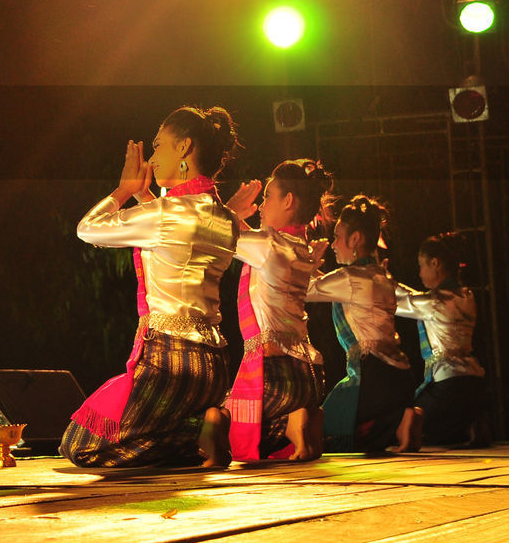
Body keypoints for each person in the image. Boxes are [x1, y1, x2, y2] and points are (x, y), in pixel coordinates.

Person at [63, 106, 241, 468]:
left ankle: (195, 435)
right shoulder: (224, 217)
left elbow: (88, 229)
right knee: (142, 435)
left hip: (169, 361)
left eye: (159, 146)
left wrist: (124, 190)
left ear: (185, 148)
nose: (152, 158)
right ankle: (206, 426)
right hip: (215, 365)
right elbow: (174, 235)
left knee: (80, 446)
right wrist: (147, 199)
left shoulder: (164, 215)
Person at [224, 160, 333, 461]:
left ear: (288, 200)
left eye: (268, 196)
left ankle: (292, 421)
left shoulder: (268, 244)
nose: (260, 205)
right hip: (309, 375)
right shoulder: (301, 247)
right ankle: (299, 418)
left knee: (217, 427)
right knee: (255, 437)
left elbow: (213, 234)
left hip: (274, 376)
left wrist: (229, 211)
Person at [306, 195, 421, 454]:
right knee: (361, 436)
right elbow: (334, 288)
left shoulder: (348, 278)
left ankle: (396, 424)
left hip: (371, 378)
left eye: (337, 236)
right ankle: (398, 420)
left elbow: (303, 289)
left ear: (355, 239)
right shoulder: (383, 276)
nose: (333, 244)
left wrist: (307, 264)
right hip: (399, 378)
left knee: (323, 431)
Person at [395, 232, 490, 446]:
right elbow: (416, 298)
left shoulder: (434, 303)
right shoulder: (467, 295)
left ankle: (460, 427)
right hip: (474, 383)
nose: (419, 273)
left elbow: (399, 301)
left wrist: (380, 280)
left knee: (406, 423)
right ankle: (469, 424)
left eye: (421, 266)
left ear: (435, 263)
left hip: (448, 387)